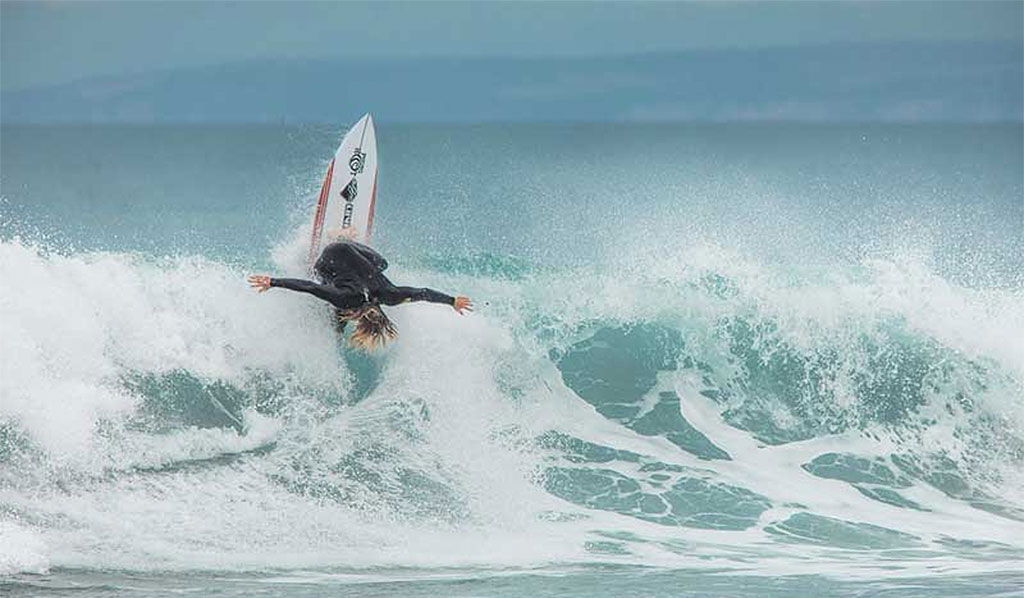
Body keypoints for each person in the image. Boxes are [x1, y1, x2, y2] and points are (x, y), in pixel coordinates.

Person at [248, 231, 472, 349]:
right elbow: (310, 287)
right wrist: (272, 282)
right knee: (328, 292)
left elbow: (422, 293)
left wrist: (452, 301)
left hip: (345, 248)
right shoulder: (345, 300)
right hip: (327, 260)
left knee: (382, 265)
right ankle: (336, 330)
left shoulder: (391, 295)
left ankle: (345, 237)